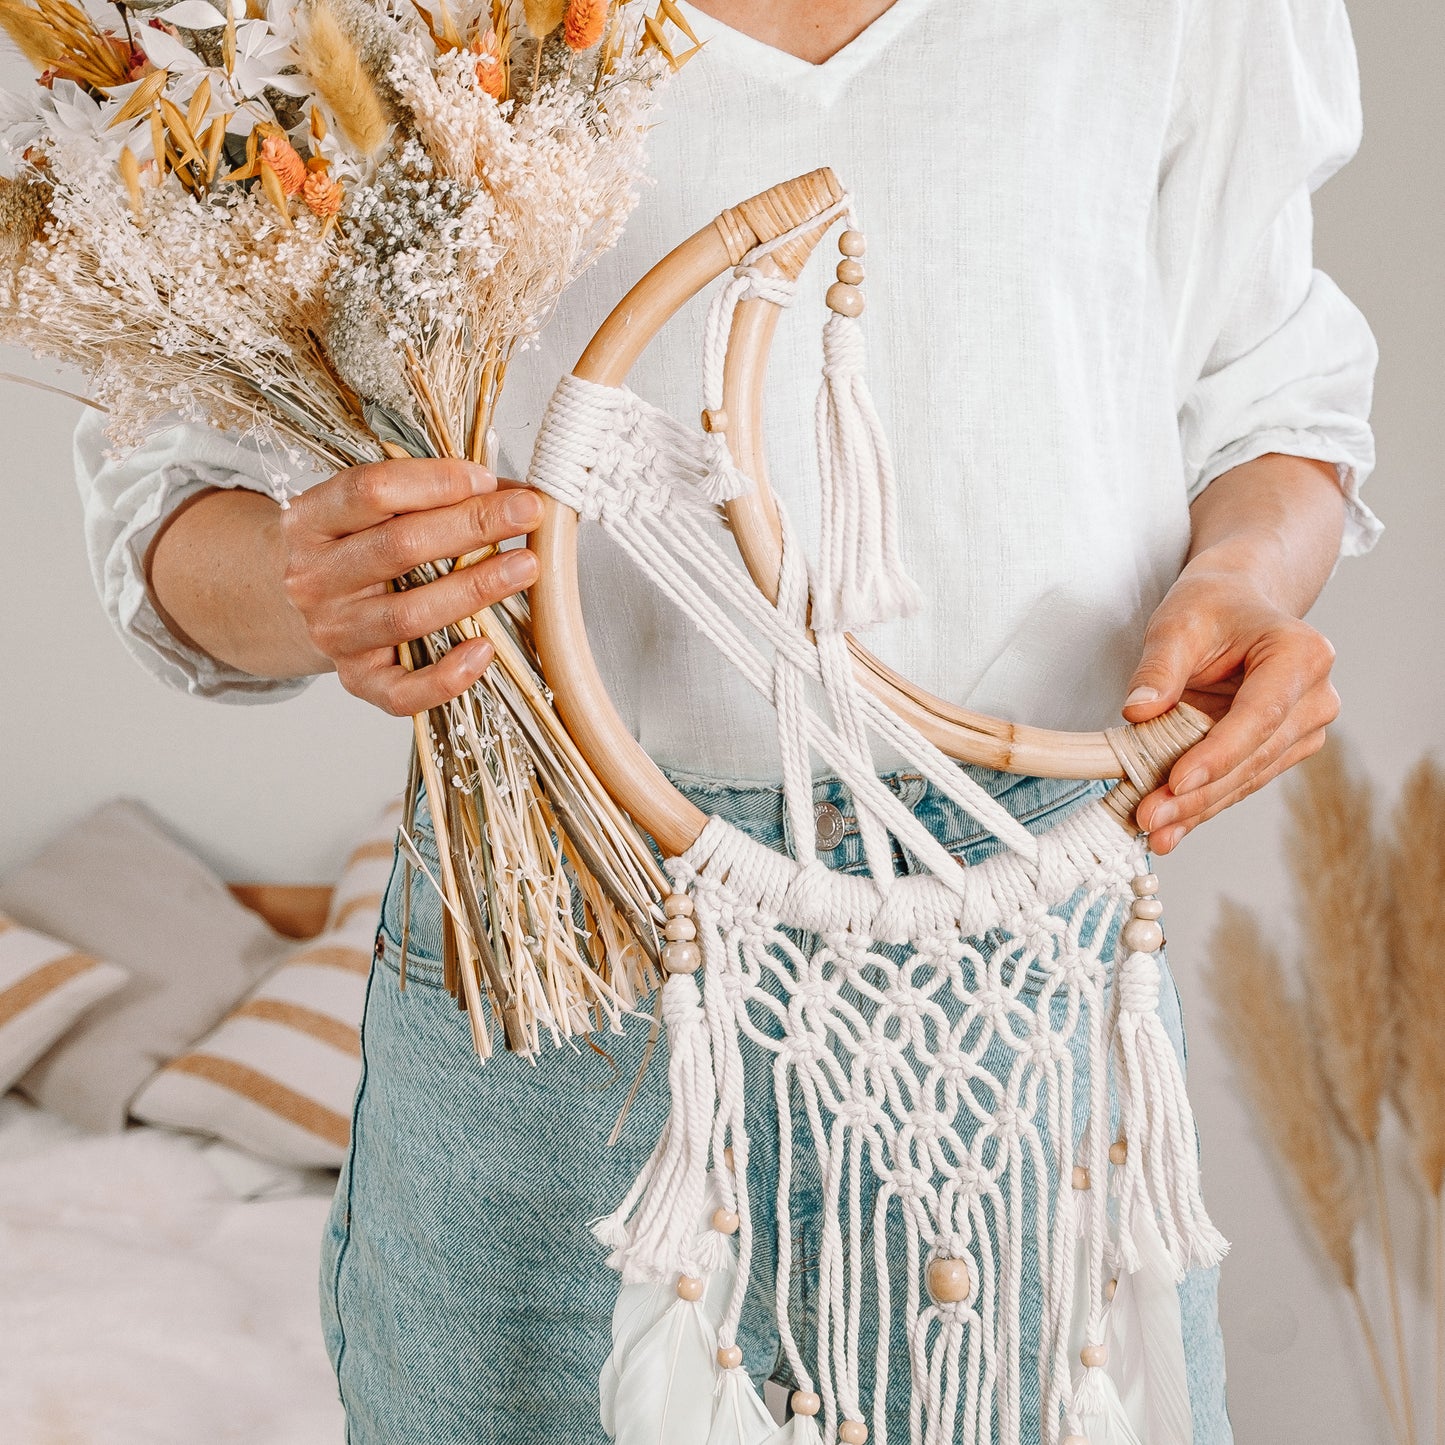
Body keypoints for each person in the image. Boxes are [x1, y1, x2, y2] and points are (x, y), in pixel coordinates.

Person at [74, 0, 1379, 1440]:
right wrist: (315, 580)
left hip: (1016, 965)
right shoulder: (336, 22)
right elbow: (169, 499)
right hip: (554, 925)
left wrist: (1246, 580)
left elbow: (1269, 395)